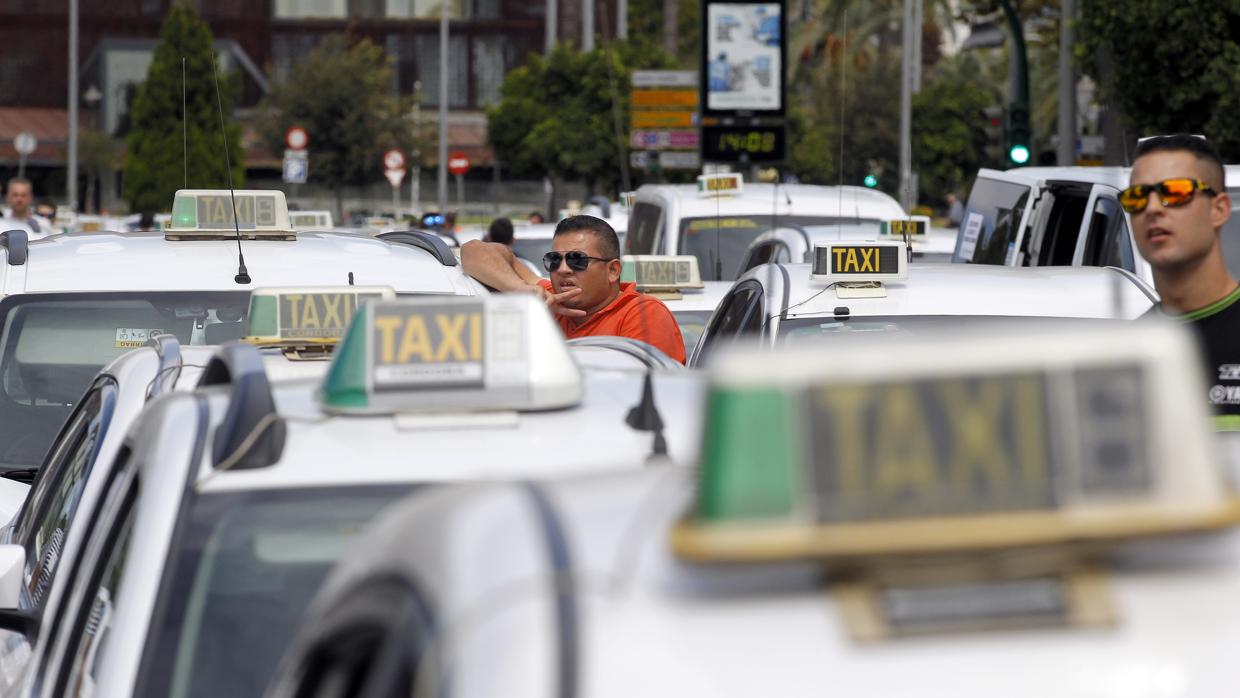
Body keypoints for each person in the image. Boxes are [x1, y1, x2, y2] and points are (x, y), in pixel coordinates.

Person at [461, 214, 687, 363]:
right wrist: (522, 290)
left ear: (613, 271)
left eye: (577, 259)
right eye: (554, 260)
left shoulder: (643, 314)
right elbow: (472, 251)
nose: (563, 269)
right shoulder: (549, 298)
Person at [1123, 134, 1240, 417]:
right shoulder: (1124, 355)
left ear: (1219, 209)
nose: (1152, 209)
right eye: (1137, 197)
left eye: (1175, 192)